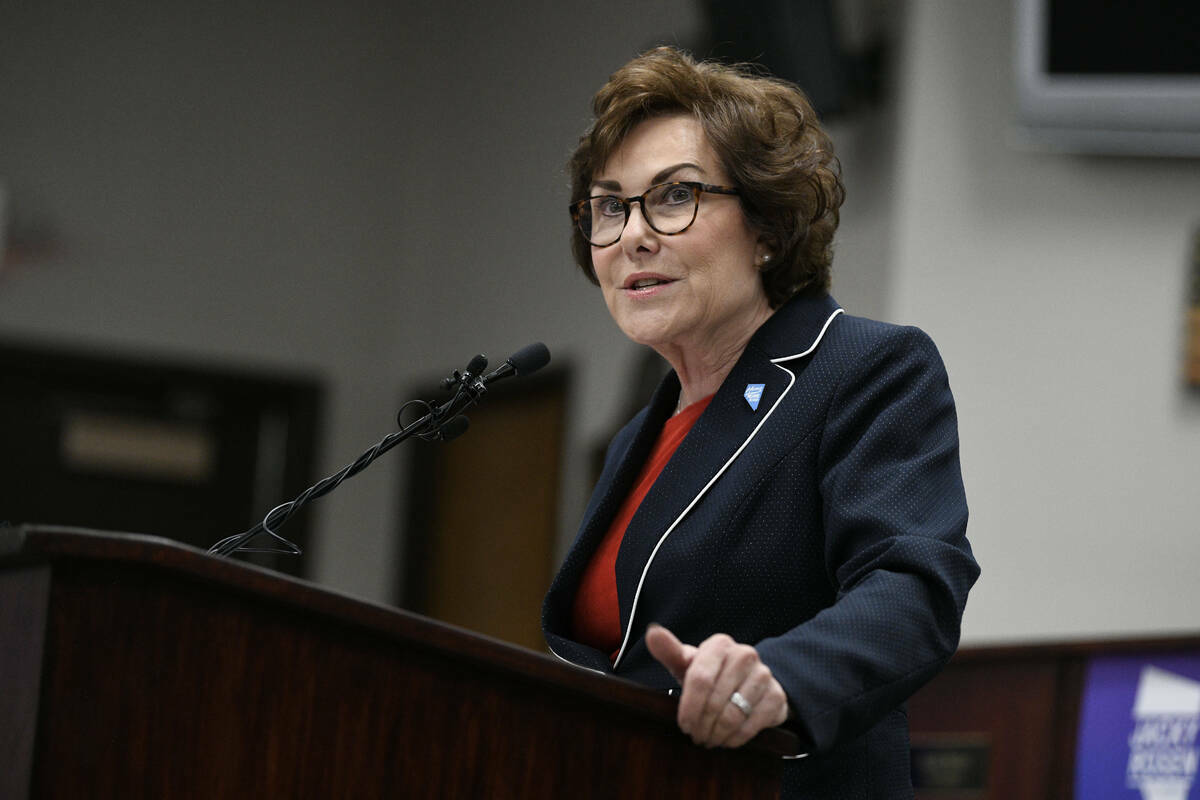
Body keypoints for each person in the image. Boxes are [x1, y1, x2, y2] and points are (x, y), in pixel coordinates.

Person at [541, 47, 979, 799]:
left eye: (674, 196)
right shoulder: (632, 443)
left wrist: (779, 678)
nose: (633, 234)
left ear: (768, 227)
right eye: (610, 206)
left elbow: (912, 587)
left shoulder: (863, 371)